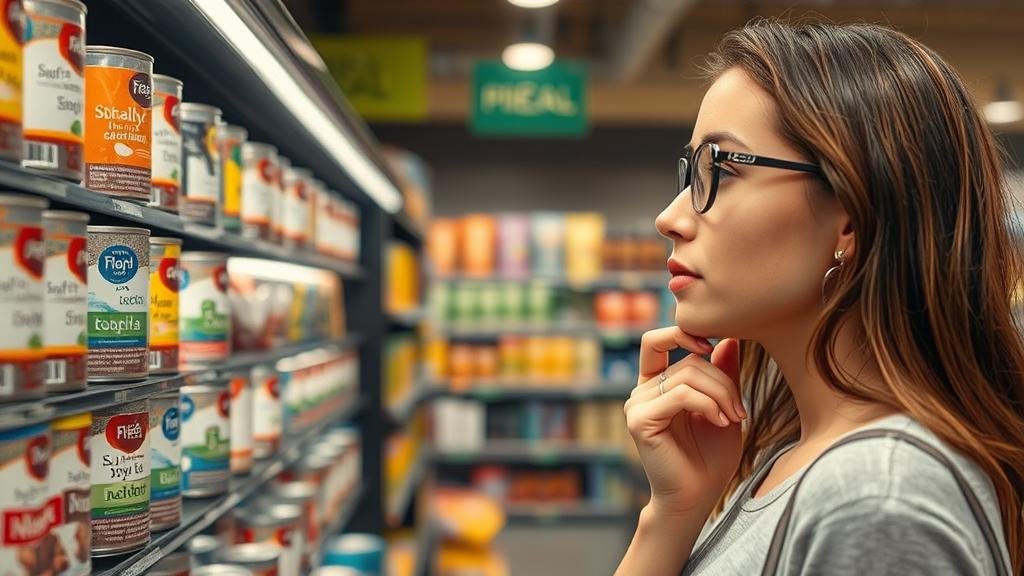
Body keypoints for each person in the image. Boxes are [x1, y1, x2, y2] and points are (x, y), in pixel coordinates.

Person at [616, 18, 1024, 576]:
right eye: (690, 173)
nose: (670, 217)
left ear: (850, 219)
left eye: (721, 170)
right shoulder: (795, 458)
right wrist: (671, 515)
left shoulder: (875, 499)